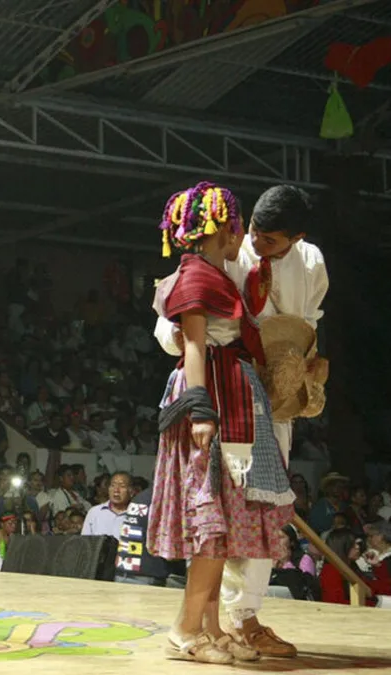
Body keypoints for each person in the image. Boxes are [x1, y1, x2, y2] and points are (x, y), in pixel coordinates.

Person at [155, 184, 326, 659]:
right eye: (249, 232)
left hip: (253, 394)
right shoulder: (202, 270)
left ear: (295, 237)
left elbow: (307, 323)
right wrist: (201, 405)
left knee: (240, 517)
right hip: (217, 393)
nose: (253, 244)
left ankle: (226, 621)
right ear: (235, 228)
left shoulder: (309, 263)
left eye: (269, 240)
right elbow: (187, 338)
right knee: (215, 515)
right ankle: (194, 627)